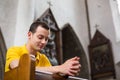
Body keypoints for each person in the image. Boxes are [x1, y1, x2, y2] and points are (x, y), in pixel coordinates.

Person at [5, 21, 81, 76]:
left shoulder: (43, 58)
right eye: (40, 37)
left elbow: (52, 75)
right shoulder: (14, 50)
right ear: (29, 35)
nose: (44, 42)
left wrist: (68, 69)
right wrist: (60, 68)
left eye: (46, 39)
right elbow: (19, 67)